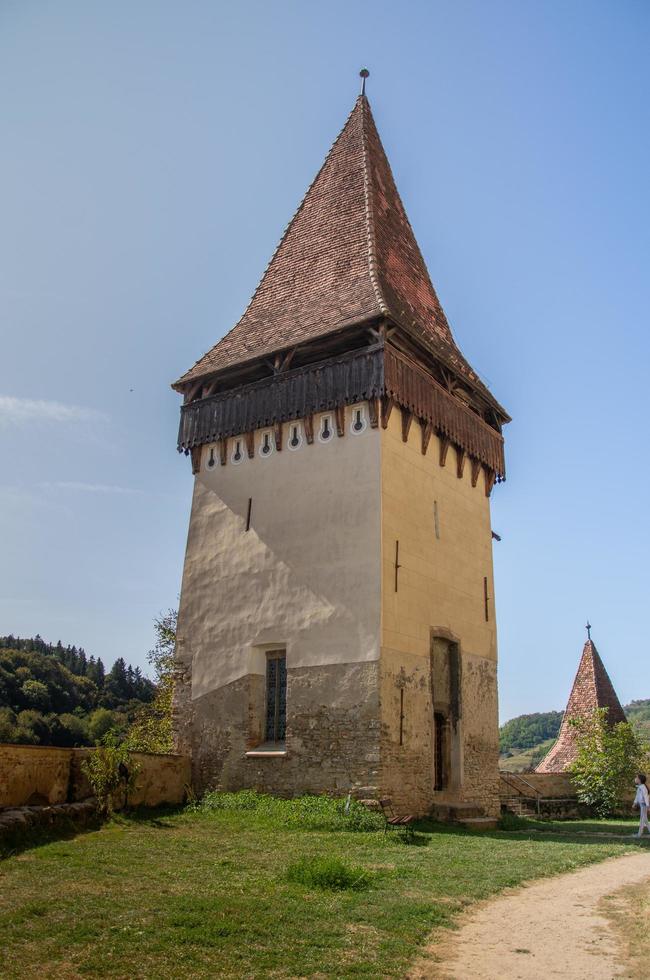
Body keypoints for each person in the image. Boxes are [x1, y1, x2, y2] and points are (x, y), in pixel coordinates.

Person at [632, 773, 649, 838]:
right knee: (643, 820)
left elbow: (646, 797)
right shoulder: (640, 787)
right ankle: (639, 834)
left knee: (644, 820)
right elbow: (637, 796)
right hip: (642, 805)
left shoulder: (643, 787)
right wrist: (634, 803)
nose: (635, 779)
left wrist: (648, 806)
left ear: (639, 780)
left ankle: (639, 834)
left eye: (636, 777)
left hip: (644, 805)